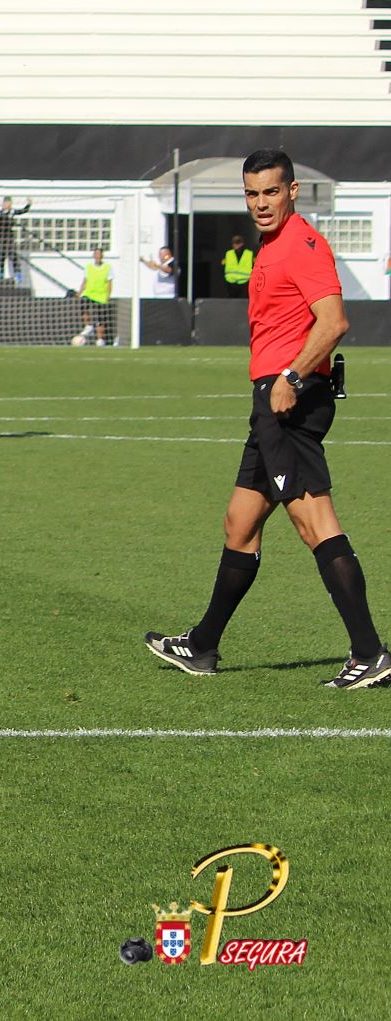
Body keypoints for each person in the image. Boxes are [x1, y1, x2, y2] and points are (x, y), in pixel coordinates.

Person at [145, 149, 389, 689]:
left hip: (290, 400)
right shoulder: (270, 246)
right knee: (240, 521)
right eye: (252, 193)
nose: (260, 203)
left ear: (293, 191)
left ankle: (370, 652)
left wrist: (293, 378)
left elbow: (334, 322)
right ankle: (203, 646)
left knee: (315, 522)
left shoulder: (302, 245)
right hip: (272, 402)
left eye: (271, 192)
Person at [74, 247, 114, 345]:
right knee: (83, 306)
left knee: (101, 319)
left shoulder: (107, 267)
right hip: (89, 293)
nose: (97, 256)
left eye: (99, 254)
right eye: (95, 254)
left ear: (102, 255)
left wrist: (108, 295)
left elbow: (109, 282)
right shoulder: (88, 267)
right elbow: (85, 280)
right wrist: (80, 291)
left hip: (101, 295)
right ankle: (88, 326)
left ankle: (100, 340)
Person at [0, 196, 31, 283]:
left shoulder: (12, 212)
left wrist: (28, 204)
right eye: (5, 203)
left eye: (8, 204)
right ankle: (1, 273)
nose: (6, 205)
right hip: (0, 238)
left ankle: (18, 274)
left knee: (13, 256)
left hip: (9, 238)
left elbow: (23, 211)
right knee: (1, 257)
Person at [223, 233, 253, 298]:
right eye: (233, 243)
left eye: (237, 243)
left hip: (244, 282)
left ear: (242, 244)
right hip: (231, 282)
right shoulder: (228, 253)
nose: (234, 245)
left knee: (243, 303)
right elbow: (222, 265)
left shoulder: (249, 254)